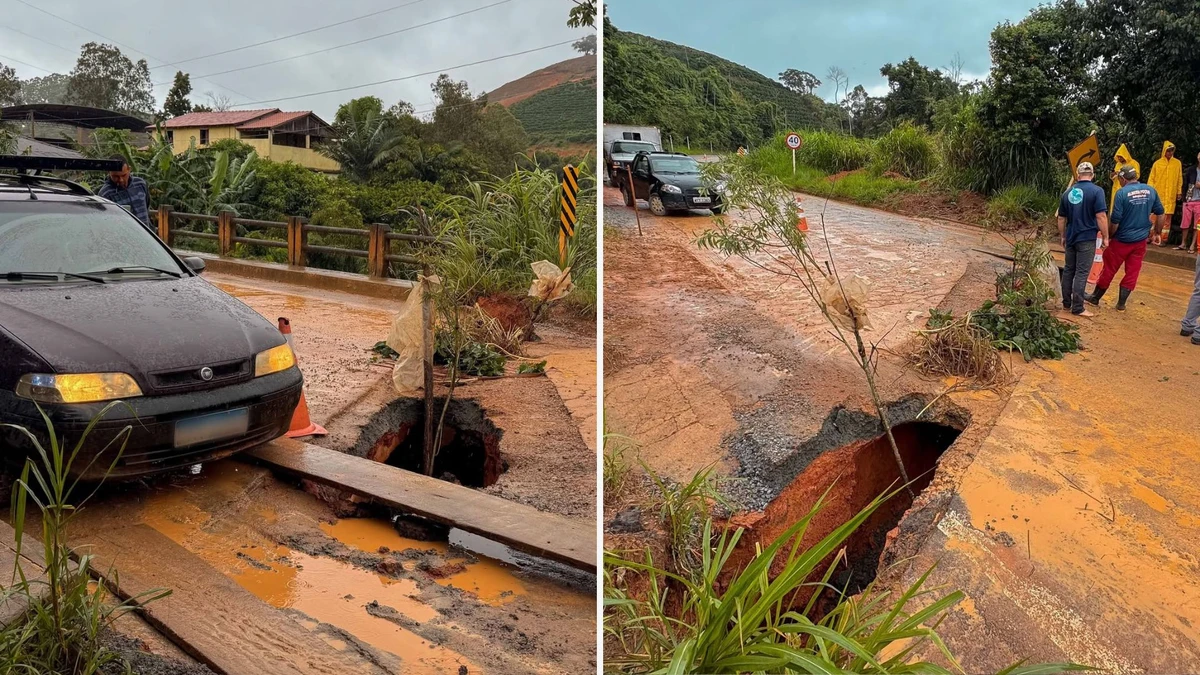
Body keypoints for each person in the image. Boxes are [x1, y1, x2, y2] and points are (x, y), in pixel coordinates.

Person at [1087, 164, 1162, 311]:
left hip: (1121, 240)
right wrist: (1157, 233)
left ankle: (1095, 298)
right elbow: (1161, 213)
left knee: (1109, 269)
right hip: (1140, 241)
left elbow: (1115, 220)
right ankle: (1121, 303)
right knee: (1133, 271)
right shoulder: (1151, 190)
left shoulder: (1121, 193)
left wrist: (1108, 236)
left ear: (1122, 178)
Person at [1058, 161, 1108, 317]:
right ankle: (1078, 308)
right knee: (1081, 272)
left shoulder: (1067, 192)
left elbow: (1061, 218)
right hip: (1087, 238)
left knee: (1068, 270)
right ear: (1092, 175)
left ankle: (1066, 303)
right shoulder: (1097, 191)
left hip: (1071, 236)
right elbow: (1100, 216)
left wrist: (1062, 236)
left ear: (1077, 175)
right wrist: (1106, 237)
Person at [97, 155, 151, 228]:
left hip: (145, 235)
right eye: (116, 176)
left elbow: (147, 205)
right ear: (108, 172)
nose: (121, 180)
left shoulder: (140, 184)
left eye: (124, 175)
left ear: (129, 169)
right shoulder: (105, 194)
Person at [1146, 140, 1183, 246]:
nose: (1170, 153)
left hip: (1170, 195)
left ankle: (1163, 239)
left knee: (1166, 219)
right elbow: (1151, 179)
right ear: (1164, 151)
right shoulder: (1157, 164)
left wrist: (1179, 192)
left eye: (1171, 151)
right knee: (1153, 218)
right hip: (1157, 195)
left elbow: (1179, 178)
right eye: (1168, 151)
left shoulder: (1177, 163)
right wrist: (1150, 192)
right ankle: (1150, 237)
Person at [1179, 151, 1200, 253]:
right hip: (1189, 200)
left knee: (1197, 224)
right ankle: (1183, 243)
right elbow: (1185, 184)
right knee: (1185, 223)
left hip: (1199, 202)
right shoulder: (1191, 170)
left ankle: (1193, 245)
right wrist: (1183, 198)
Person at [1109, 143, 1139, 214]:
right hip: (1117, 188)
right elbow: (1113, 177)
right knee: (1116, 208)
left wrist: (1126, 174)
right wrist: (1114, 174)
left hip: (1129, 188)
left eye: (1121, 157)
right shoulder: (1118, 164)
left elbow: (1137, 175)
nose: (1119, 158)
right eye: (1118, 157)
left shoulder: (1134, 163)